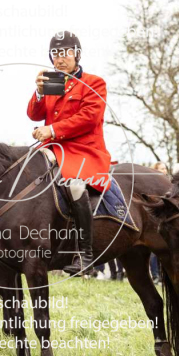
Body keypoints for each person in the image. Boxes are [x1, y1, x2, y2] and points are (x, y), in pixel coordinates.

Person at [28, 31, 111, 276]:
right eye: (55, 54)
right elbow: (34, 114)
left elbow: (89, 118)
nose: (59, 59)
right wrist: (40, 92)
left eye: (65, 53)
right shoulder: (54, 82)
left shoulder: (94, 82)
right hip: (53, 149)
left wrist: (52, 130)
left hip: (84, 151)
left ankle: (85, 255)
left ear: (77, 54)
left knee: (75, 186)